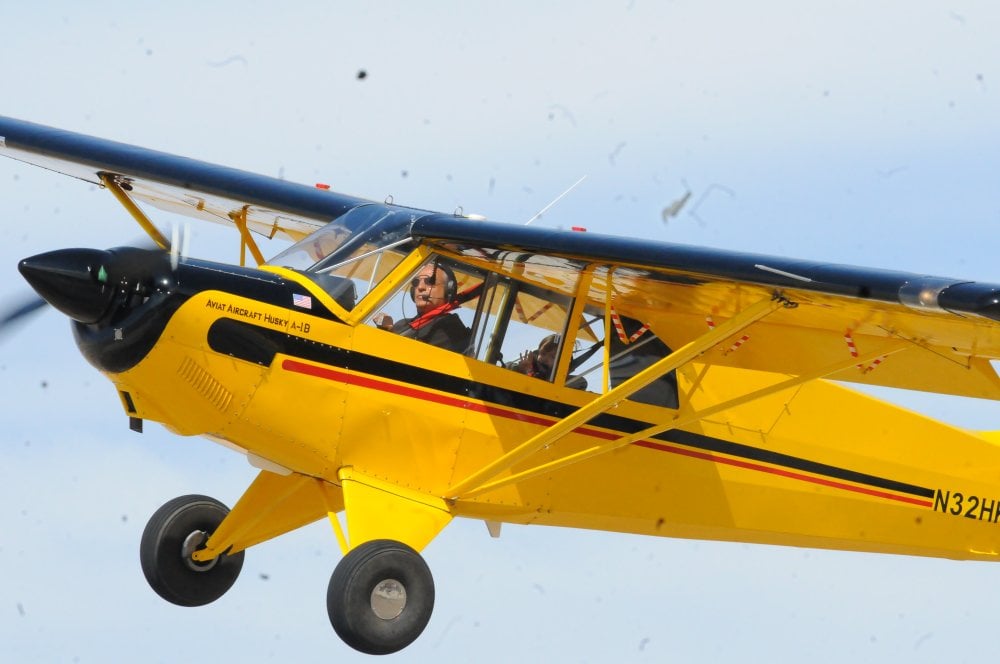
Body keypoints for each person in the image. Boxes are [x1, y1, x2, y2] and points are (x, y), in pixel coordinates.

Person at [373, 261, 471, 353]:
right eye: (416, 283)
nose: (420, 287)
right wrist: (385, 330)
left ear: (448, 291)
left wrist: (390, 332)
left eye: (430, 282)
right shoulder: (402, 324)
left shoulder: (451, 329)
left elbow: (412, 354)